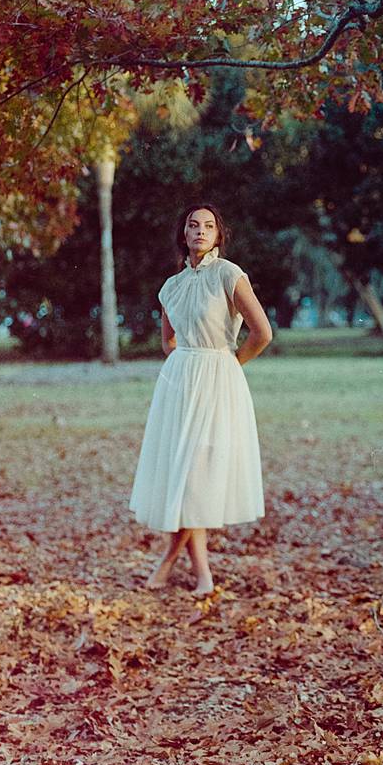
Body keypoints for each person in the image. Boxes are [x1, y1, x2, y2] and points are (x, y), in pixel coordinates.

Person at [129, 203, 273, 595]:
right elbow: (168, 341)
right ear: (184, 234)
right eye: (193, 225)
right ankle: (201, 574)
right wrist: (183, 366)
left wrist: (230, 365)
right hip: (178, 384)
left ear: (218, 235)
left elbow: (262, 333)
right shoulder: (171, 287)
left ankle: (171, 563)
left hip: (218, 379)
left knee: (197, 476)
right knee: (181, 475)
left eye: (208, 226)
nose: (200, 231)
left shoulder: (229, 274)